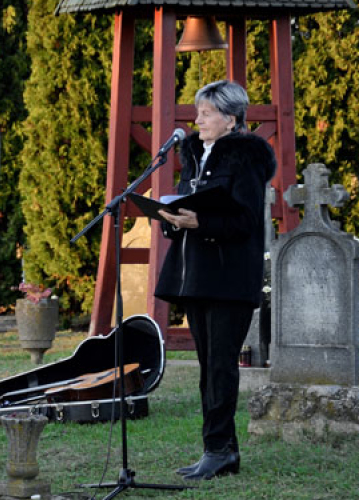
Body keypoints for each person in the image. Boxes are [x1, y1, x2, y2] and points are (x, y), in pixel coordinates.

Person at [155, 80, 276, 481]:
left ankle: (218, 450)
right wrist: (172, 220)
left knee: (221, 367)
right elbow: (187, 202)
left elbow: (244, 220)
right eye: (198, 112)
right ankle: (222, 451)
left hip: (229, 278)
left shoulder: (246, 157)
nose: (198, 119)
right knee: (208, 366)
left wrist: (201, 221)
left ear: (230, 118)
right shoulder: (194, 152)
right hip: (196, 276)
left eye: (206, 113)